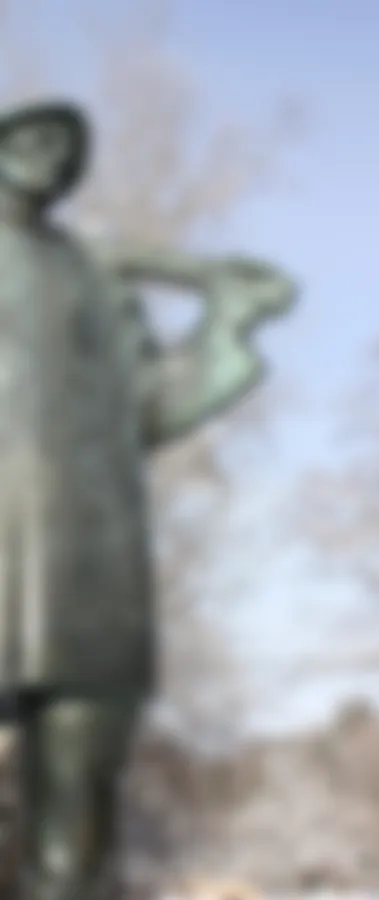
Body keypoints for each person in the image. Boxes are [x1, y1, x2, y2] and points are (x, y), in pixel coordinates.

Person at [0, 99, 293, 900]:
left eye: (65, 146)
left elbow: (145, 406)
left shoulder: (93, 280)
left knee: (78, 821)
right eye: (34, 135)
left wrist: (225, 327)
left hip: (86, 568)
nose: (49, 154)